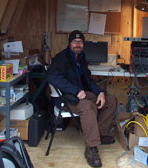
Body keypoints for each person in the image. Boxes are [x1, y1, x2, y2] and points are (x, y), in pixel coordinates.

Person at [47, 30, 117, 167]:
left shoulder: (81, 57)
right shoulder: (61, 58)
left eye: (80, 42)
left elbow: (88, 80)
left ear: (83, 44)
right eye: (75, 41)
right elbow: (52, 77)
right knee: (88, 107)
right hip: (67, 97)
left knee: (110, 100)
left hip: (81, 94)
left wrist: (100, 92)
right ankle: (91, 148)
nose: (77, 44)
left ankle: (101, 134)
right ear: (70, 43)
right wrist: (75, 90)